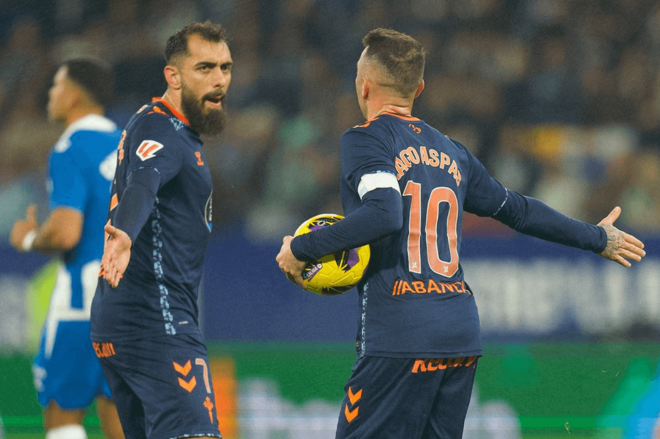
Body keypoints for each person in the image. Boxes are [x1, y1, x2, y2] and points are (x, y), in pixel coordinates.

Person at [276, 28, 647, 439]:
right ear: (419, 88)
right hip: (459, 333)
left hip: (401, 334)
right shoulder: (453, 151)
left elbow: (384, 214)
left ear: (363, 85)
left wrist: (303, 249)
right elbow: (519, 210)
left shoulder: (366, 139)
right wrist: (597, 237)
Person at [90, 21, 232, 439]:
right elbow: (143, 185)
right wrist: (125, 234)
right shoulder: (162, 129)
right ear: (173, 76)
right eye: (204, 68)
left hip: (122, 321)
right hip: (157, 322)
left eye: (225, 67)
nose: (219, 79)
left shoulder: (158, 125)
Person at [9, 59, 124, 439]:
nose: (50, 94)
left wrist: (28, 238)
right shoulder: (130, 144)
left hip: (82, 304)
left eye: (56, 85)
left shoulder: (71, 146)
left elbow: (65, 233)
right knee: (120, 419)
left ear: (73, 94)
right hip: (131, 301)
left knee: (63, 418)